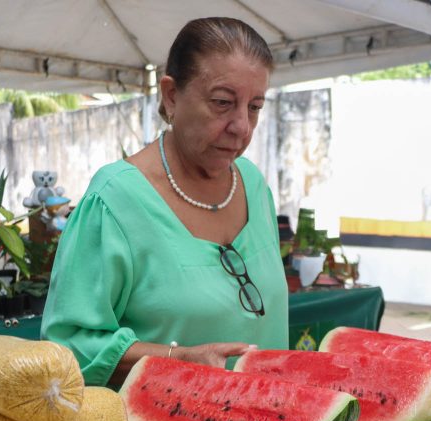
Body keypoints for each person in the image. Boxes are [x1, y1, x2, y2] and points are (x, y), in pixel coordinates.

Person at [42, 17, 288, 388]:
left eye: (254, 107)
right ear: (171, 95)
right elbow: (67, 344)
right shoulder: (114, 199)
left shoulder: (253, 184)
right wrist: (177, 360)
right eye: (222, 103)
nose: (242, 126)